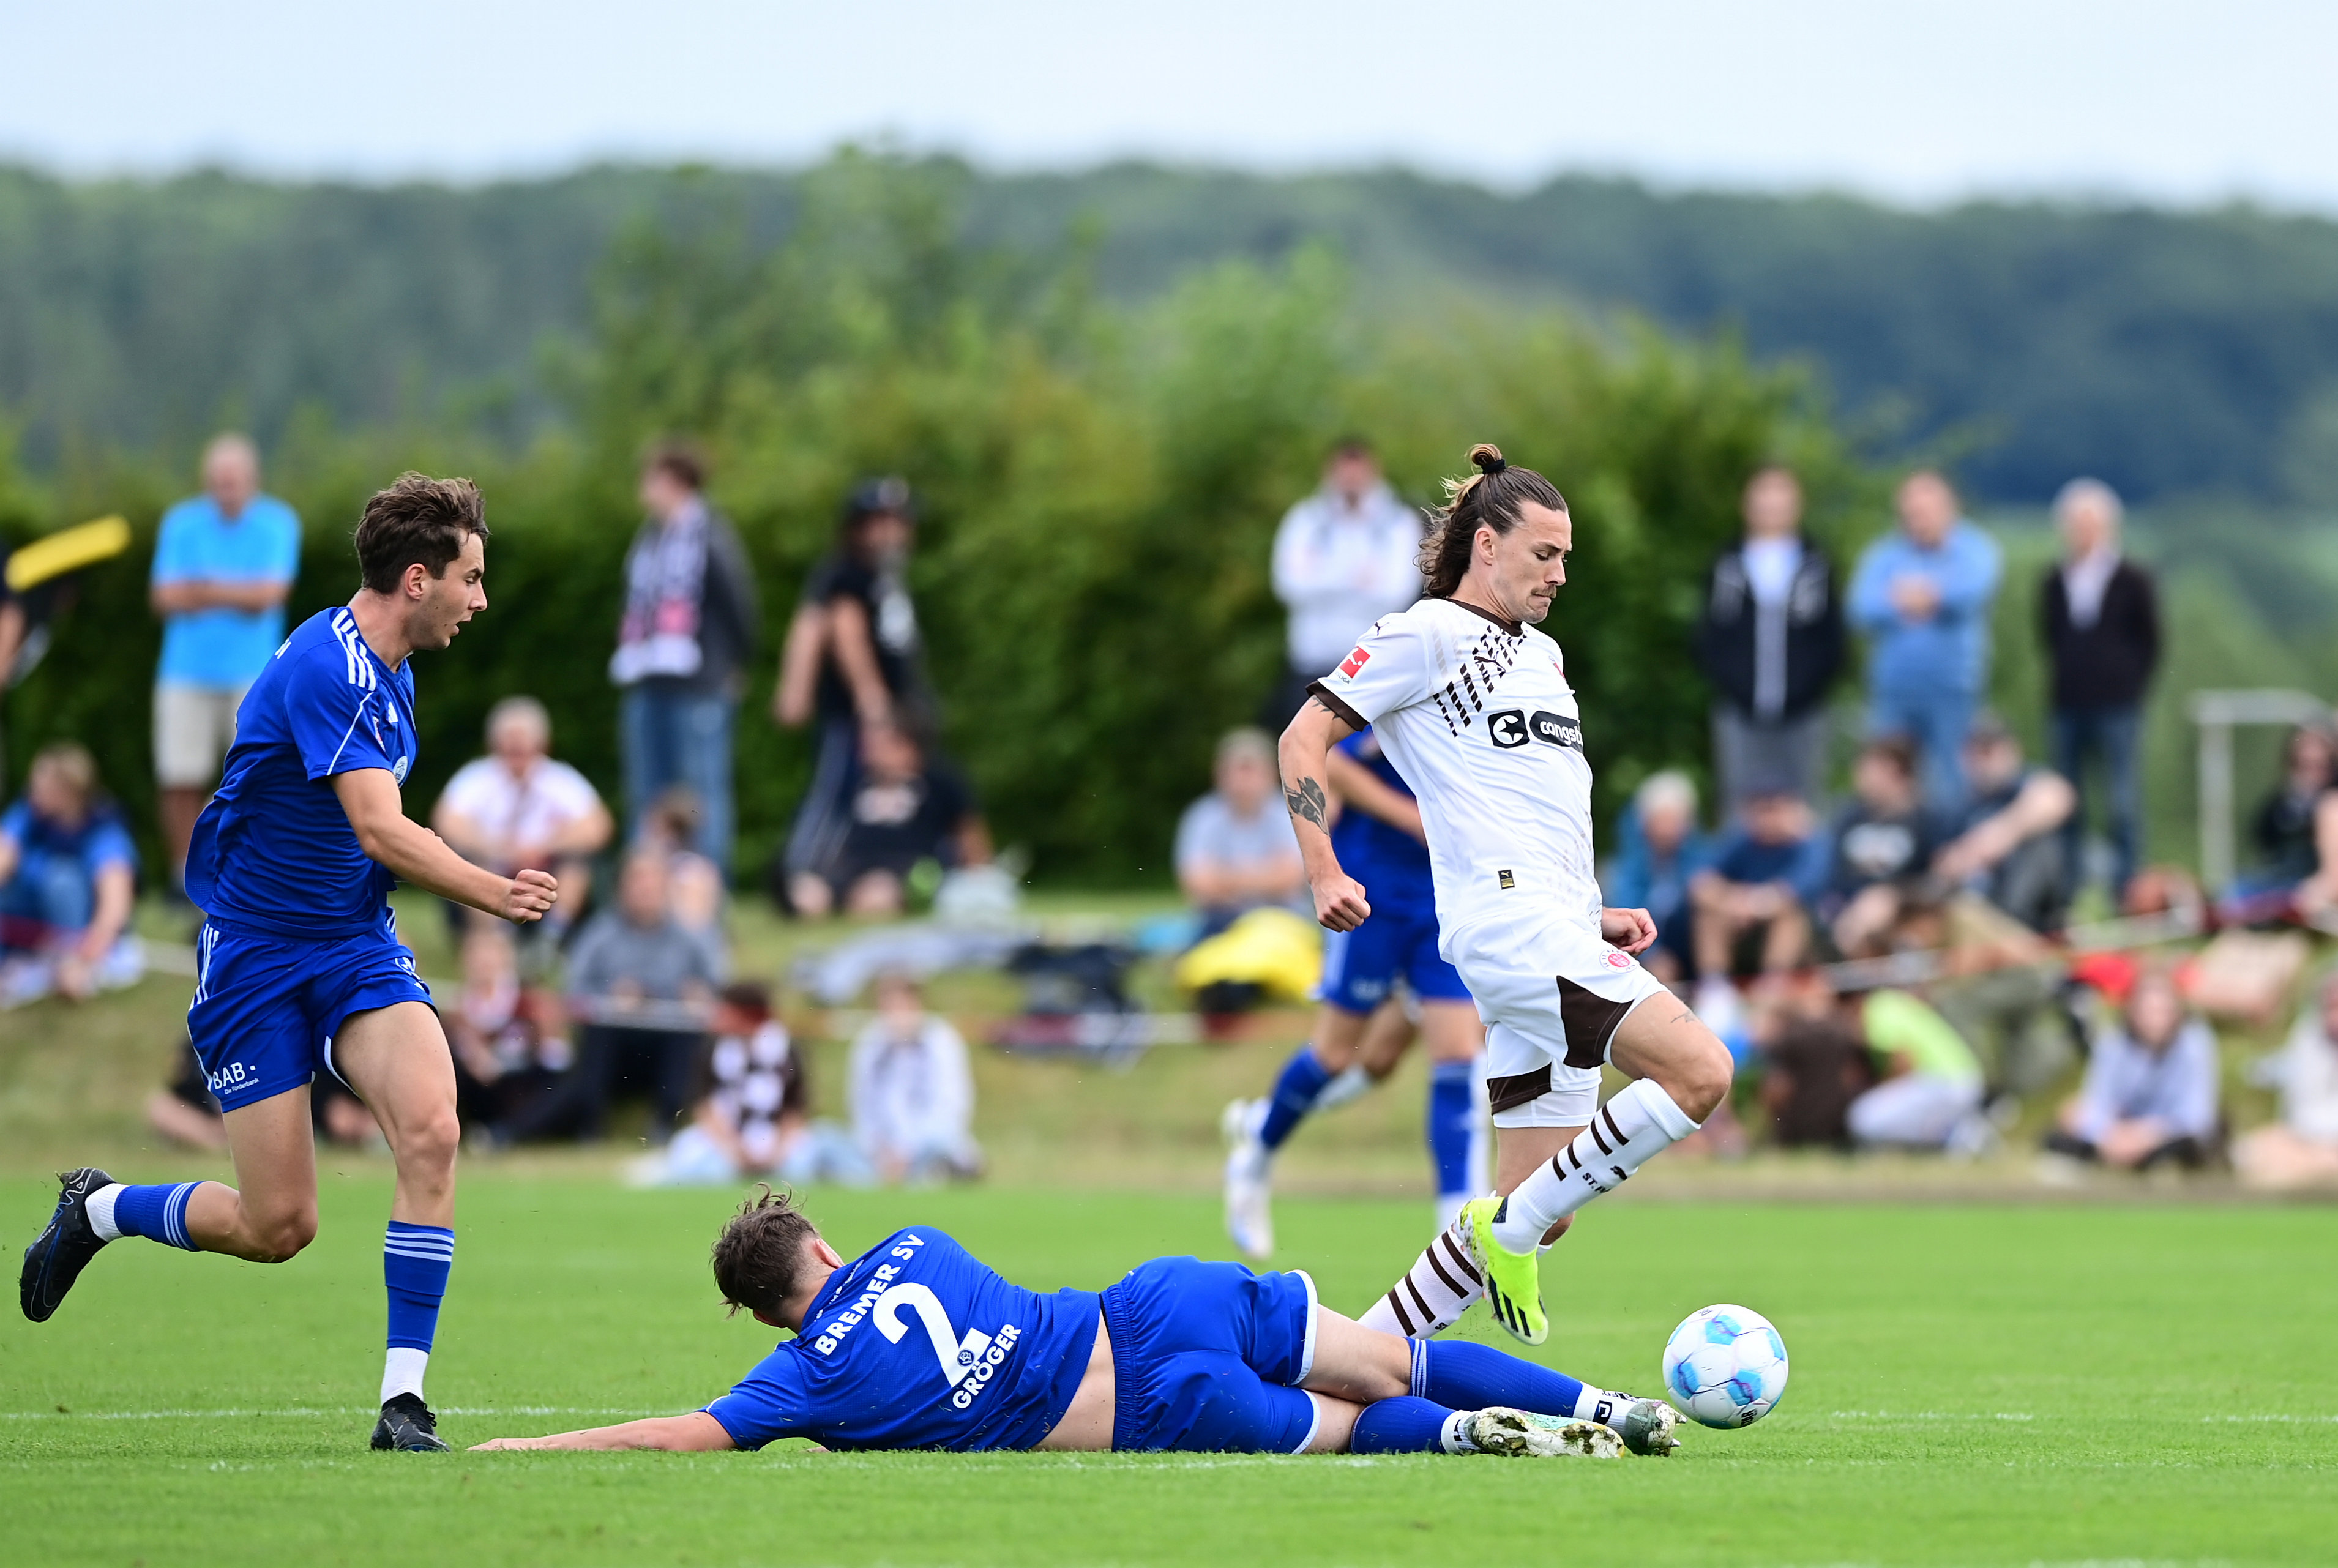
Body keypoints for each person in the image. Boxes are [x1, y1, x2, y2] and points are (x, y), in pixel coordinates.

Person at [18, 472, 559, 1456]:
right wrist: (495, 890)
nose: (480, 600)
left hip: (352, 945)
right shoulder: (332, 669)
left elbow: (365, 847)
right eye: (470, 578)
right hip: (257, 958)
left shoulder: (392, 663)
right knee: (278, 1224)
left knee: (433, 1130)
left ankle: (404, 1404)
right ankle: (98, 1210)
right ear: (414, 579)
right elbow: (379, 828)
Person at [1284, 442, 1735, 1346]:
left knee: (1542, 1196)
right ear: (1486, 545)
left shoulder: (1544, 654)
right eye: (1545, 553)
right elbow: (1301, 740)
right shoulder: (1424, 634)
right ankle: (1511, 1232)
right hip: (1511, 930)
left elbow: (1516, 799)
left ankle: (1353, 1355)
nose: (1560, 573)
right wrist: (1324, 868)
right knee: (1701, 1072)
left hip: (1551, 921)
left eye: (1566, 556)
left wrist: (1589, 909)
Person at [469, 1187, 1681, 1459]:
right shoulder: (912, 1242)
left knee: (1350, 1429)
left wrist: (521, 1451)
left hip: (1151, 1408)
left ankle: (1477, 1443)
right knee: (1394, 1356)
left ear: (760, 1313)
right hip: (1156, 1297)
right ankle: (1601, 1405)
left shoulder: (804, 1386)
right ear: (826, 1248)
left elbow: (686, 1435)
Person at [1221, 723, 1486, 1260]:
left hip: (1443, 898)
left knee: (1457, 1056)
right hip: (1373, 896)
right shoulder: (1410, 663)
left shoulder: (1493, 683)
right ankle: (1257, 1149)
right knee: (1338, 1054)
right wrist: (1412, 818)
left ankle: (1456, 1236)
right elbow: (1330, 760)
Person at [148, 434, 303, 890]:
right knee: (180, 777)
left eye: (233, 482)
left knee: (255, 778)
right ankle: (184, 877)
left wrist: (203, 588)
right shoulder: (181, 523)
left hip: (254, 676)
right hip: (184, 672)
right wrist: (237, 591)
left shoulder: (278, 523)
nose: (225, 491)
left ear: (252, 481)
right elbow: (164, 596)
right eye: (218, 482)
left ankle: (253, 873)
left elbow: (270, 595)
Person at [501, 849, 722, 1145]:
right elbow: (574, 991)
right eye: (637, 881)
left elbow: (718, 990)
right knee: (598, 1036)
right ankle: (590, 1126)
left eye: (652, 882)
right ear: (622, 887)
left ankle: (665, 1125)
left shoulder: (691, 938)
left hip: (669, 1046)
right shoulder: (600, 934)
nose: (645, 890)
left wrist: (697, 996)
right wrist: (610, 997)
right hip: (617, 1043)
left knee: (684, 1034)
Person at [775, 477, 930, 892]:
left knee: (869, 804)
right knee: (834, 793)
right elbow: (840, 629)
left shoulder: (887, 577)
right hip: (852, 714)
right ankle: (799, 871)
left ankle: (844, 875)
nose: (890, 532)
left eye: (897, 523)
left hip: (888, 715)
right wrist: (871, 698)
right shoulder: (848, 574)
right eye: (879, 522)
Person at [610, 441, 759, 870]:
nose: (644, 490)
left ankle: (705, 895)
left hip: (699, 684)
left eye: (650, 479)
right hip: (648, 678)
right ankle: (645, 893)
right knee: (647, 793)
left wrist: (733, 666)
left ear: (675, 481)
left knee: (700, 795)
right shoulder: (650, 540)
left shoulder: (710, 535)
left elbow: (739, 607)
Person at [1691, 466, 1845, 811]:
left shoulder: (1816, 564)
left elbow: (1832, 638)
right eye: (1764, 496)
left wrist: (1810, 688)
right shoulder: (1728, 564)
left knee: (1805, 805)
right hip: (1739, 710)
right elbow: (1711, 635)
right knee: (1738, 804)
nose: (1772, 506)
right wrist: (1733, 685)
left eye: (1781, 496)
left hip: (1804, 712)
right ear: (1747, 504)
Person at [1847, 470, 2001, 812]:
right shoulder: (1884, 555)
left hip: (1953, 687)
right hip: (1895, 688)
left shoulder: (1975, 550)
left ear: (1950, 508)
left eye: (1927, 510)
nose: (1919, 520)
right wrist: (1926, 598)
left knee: (1952, 779)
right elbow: (1861, 608)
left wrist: (1914, 595)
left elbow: (1969, 594)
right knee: (1890, 776)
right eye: (1912, 512)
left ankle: (1951, 855)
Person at [2039, 479, 2157, 896]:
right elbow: (2050, 636)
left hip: (2117, 703)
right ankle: (2068, 888)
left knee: (2122, 801)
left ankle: (2126, 887)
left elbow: (2150, 641)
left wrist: (2129, 685)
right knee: (2066, 802)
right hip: (2069, 702)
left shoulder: (2133, 578)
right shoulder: (2055, 579)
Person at [634, 982, 872, 1187]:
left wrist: (777, 1151)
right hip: (726, 1143)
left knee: (809, 1160)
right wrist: (735, 1149)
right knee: (698, 1162)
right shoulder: (713, 1050)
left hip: (779, 1143)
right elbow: (706, 1107)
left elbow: (796, 1110)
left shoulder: (788, 1050)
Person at [1264, 439, 1425, 727]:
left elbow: (1397, 593)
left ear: (1374, 471)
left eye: (1358, 471)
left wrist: (1321, 577)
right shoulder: (1305, 519)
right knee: (1304, 748)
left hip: (1371, 667)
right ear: (1330, 471)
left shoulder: (1398, 522)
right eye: (1344, 471)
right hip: (1310, 662)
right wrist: (1356, 579)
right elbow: (1288, 586)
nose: (1351, 480)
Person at [431, 695, 613, 939]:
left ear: (540, 744)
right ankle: (495, 940)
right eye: (509, 741)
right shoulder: (477, 778)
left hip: (546, 868)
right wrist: (495, 848)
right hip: (493, 864)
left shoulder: (559, 780)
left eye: (523, 741)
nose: (516, 749)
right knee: (470, 863)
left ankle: (550, 939)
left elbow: (598, 828)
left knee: (576, 867)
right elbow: (447, 822)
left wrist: (543, 848)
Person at [788, 721, 990, 920]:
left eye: (876, 745)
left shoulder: (940, 781)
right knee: (807, 897)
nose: (868, 753)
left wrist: (979, 879)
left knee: (876, 899)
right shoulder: (858, 780)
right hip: (850, 865)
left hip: (904, 868)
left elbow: (969, 832)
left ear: (906, 745)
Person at [0, 741, 140, 1005]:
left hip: (80, 931)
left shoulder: (104, 831)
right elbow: (4, 855)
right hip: (32, 926)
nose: (33, 790)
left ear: (69, 791)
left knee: (62, 880)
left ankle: (68, 966)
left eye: (42, 784)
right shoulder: (30, 813)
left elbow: (115, 906)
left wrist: (84, 957)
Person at [2044, 966, 2219, 1171]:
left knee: (2193, 1141)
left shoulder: (2194, 1043)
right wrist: (2112, 1135)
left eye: (2162, 1011)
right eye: (2147, 1011)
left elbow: (2197, 1116)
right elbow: (2098, 1100)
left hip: (2168, 1133)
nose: (2155, 1021)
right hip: (2120, 1129)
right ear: (2132, 1011)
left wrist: (2146, 1135)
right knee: (2071, 1114)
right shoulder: (2113, 1042)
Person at [1932, 715, 2077, 933]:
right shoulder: (1959, 807)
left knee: (2041, 847)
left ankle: (2015, 928)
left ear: (2012, 750)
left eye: (1990, 751)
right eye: (1977, 752)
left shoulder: (2024, 785)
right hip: (1973, 904)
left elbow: (2058, 796)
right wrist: (1959, 859)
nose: (1984, 761)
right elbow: (1941, 863)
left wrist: (2000, 836)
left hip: (2025, 908)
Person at [1687, 787, 1826, 997]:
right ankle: (1715, 992)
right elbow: (1700, 886)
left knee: (1791, 915)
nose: (1768, 819)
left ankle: (1771, 988)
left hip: (1801, 940)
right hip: (1740, 928)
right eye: (1761, 810)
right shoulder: (1742, 840)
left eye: (1775, 810)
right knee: (1709, 916)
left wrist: (1753, 904)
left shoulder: (1809, 844)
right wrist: (1733, 902)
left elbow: (1798, 891)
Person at [850, 972, 982, 1183]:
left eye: (898, 1006)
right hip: (882, 1154)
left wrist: (909, 1151)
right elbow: (862, 1105)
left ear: (915, 1003)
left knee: (944, 1148)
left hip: (929, 1146)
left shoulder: (941, 1040)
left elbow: (952, 1105)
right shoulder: (871, 1042)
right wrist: (880, 1150)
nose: (892, 1015)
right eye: (886, 1007)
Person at [1176, 728, 1306, 934]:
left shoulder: (1288, 813)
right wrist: (1264, 876)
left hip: (1282, 920)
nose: (1242, 782)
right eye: (1236, 772)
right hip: (1220, 921)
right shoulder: (1203, 816)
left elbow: (1292, 878)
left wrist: (1227, 877)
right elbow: (1197, 883)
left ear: (1270, 774)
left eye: (1250, 771)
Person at [444, 922, 572, 1132]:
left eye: (490, 955)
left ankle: (507, 1132)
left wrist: (547, 1033)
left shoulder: (529, 1000)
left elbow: (556, 1059)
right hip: (480, 1090)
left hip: (522, 1083)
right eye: (476, 955)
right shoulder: (459, 1008)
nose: (483, 963)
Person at [1820, 737, 1939, 958]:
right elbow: (1832, 876)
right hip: (1848, 913)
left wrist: (1894, 895)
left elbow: (1940, 880)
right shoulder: (1849, 818)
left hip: (1906, 911)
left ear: (1894, 771)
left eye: (1868, 768)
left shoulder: (1928, 821)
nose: (1860, 776)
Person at [1843, 986, 1992, 1154]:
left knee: (1863, 1121)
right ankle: (1959, 1128)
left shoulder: (1878, 1010)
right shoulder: (1892, 1002)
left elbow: (1903, 1064)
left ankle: (1955, 1135)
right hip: (1962, 1081)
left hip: (1943, 1083)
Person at [1602, 772, 1716, 985]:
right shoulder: (1628, 868)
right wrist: (1653, 954)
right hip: (1645, 956)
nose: (1668, 829)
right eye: (1662, 820)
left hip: (1692, 951)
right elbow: (1625, 911)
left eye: (1676, 820)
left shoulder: (1703, 859)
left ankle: (1715, 984)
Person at [2234, 970, 2338, 1190]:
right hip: (2307, 1141)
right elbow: (2301, 1108)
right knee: (2248, 1151)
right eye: (2330, 1007)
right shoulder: (2307, 1035)